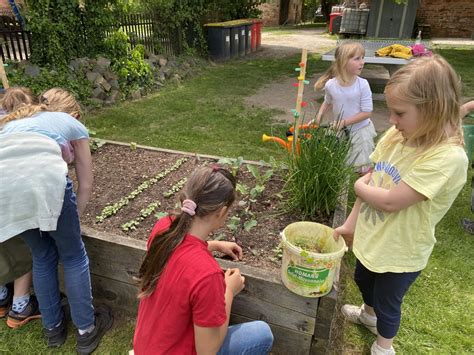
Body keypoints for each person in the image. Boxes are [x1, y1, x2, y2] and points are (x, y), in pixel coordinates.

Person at [333, 55, 468, 355]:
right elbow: (373, 178)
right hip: (373, 236)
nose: (391, 121)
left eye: (399, 113)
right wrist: (351, 223)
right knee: (362, 279)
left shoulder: (447, 158)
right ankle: (368, 316)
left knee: (388, 302)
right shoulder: (398, 137)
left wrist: (357, 185)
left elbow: (391, 201)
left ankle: (384, 347)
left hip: (401, 250)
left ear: (432, 111)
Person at [0, 89, 113, 353]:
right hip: (44, 182)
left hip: (5, 192)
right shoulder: (70, 123)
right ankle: (86, 330)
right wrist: (74, 221)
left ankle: (53, 329)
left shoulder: (13, 121)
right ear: (74, 114)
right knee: (73, 255)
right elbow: (85, 185)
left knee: (41, 254)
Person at [133, 166, 274, 355]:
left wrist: (213, 245)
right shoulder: (207, 275)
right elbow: (207, 351)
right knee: (262, 334)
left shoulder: (164, 227)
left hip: (147, 348)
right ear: (222, 212)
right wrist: (229, 291)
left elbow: (179, 254)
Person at [0, 87, 41, 329]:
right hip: (9, 201)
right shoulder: (22, 129)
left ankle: (2, 298)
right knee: (24, 248)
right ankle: (20, 305)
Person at [312, 41, 376, 174]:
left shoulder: (363, 85)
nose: (362, 62)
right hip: (340, 132)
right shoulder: (331, 85)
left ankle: (364, 193)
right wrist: (319, 116)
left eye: (362, 58)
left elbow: (366, 113)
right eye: (357, 59)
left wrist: (343, 123)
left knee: (363, 167)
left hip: (360, 131)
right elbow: (328, 101)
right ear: (343, 62)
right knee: (340, 166)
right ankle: (341, 194)